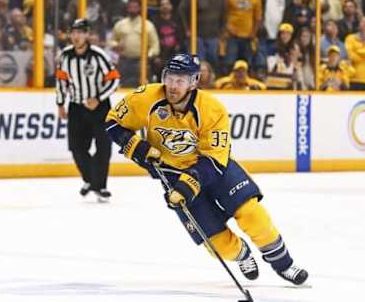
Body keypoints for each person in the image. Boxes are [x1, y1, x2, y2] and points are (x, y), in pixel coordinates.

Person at [105, 53, 308, 285]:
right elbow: (113, 123)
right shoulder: (146, 97)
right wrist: (136, 148)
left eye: (180, 80)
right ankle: (241, 253)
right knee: (216, 245)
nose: (173, 86)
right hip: (171, 173)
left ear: (194, 82)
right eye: (170, 78)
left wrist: (188, 183)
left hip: (215, 169)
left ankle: (284, 264)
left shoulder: (212, 109)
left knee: (253, 215)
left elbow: (213, 158)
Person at [56, 18, 120, 202]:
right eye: (73, 32)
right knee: (77, 147)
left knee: (103, 147)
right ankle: (90, 180)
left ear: (87, 34)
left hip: (100, 107)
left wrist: (98, 98)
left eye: (80, 32)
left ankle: (100, 186)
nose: (76, 36)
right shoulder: (65, 56)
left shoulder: (99, 55)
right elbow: (61, 81)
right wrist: (60, 104)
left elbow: (114, 79)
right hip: (76, 107)